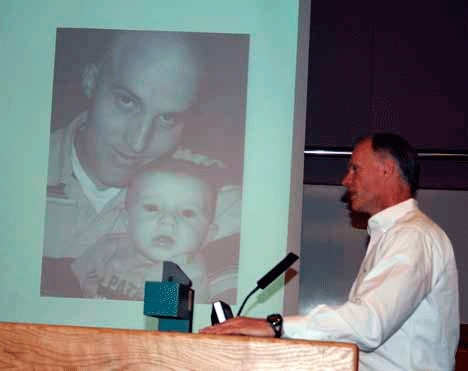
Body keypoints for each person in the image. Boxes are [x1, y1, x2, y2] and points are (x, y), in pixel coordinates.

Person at [201, 133, 460, 370]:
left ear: (386, 169)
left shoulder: (412, 235)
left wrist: (275, 326)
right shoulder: (395, 234)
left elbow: (369, 325)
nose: (345, 180)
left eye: (354, 169)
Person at [41, 30, 241, 294]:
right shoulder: (19, 174)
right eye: (126, 101)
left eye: (167, 118)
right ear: (91, 81)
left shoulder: (215, 196)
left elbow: (220, 324)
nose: (138, 143)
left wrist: (171, 291)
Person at [70, 159, 219, 303]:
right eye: (152, 208)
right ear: (126, 220)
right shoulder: (109, 247)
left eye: (187, 213)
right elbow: (69, 282)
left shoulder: (186, 276)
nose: (167, 221)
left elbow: (158, 325)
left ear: (208, 235)